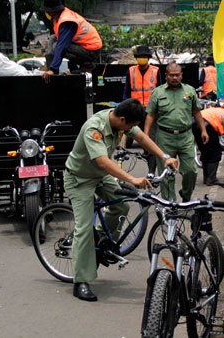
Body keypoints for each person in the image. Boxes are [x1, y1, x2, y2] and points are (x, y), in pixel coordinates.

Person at [64, 98, 179, 302]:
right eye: (132, 126)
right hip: (79, 179)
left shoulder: (121, 122)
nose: (133, 130)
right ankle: (80, 281)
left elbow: (142, 138)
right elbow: (102, 160)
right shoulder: (95, 128)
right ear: (123, 119)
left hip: (100, 176)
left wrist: (164, 156)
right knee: (83, 230)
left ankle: (99, 241)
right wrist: (132, 179)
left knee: (122, 206)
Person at [144, 62, 208, 202]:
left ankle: (186, 196)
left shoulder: (189, 91)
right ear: (166, 76)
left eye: (177, 75)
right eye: (171, 75)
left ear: (181, 75)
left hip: (185, 136)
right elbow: (150, 115)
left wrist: (203, 130)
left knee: (191, 171)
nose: (174, 78)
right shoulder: (158, 92)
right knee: (166, 174)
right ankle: (170, 204)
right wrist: (146, 134)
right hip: (165, 137)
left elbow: (196, 112)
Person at [40, 0, 102, 81]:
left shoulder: (67, 22)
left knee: (56, 46)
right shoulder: (58, 18)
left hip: (91, 50)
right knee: (52, 39)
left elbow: (62, 46)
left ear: (51, 12)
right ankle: (52, 69)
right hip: (83, 46)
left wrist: (53, 69)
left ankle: (87, 64)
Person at [122, 45, 163, 174]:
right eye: (139, 57)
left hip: (151, 111)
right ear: (136, 58)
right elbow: (127, 91)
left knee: (151, 140)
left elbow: (160, 91)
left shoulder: (156, 71)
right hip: (135, 110)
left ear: (149, 58)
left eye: (144, 57)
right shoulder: (131, 71)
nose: (142, 59)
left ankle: (151, 170)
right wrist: (125, 106)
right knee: (136, 137)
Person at [192, 104, 224, 186]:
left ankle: (206, 178)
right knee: (216, 152)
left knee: (205, 151)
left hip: (196, 122)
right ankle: (211, 179)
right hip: (208, 125)